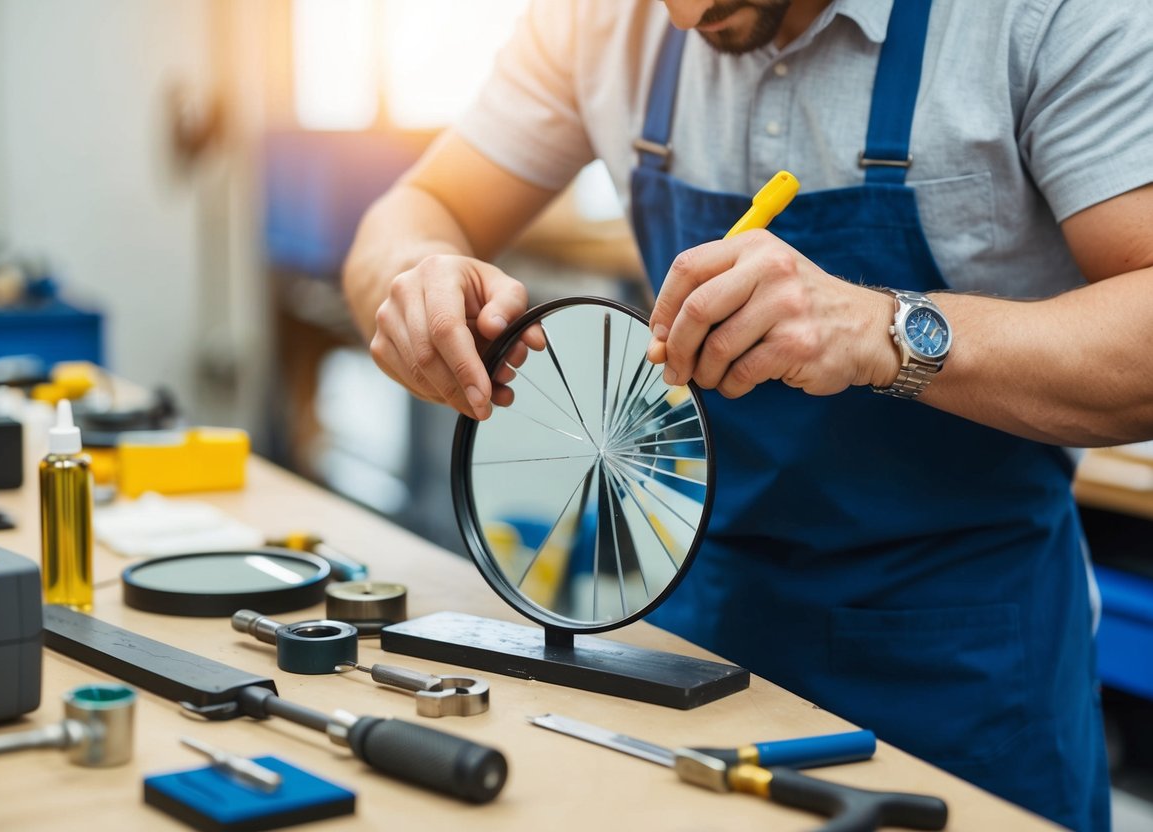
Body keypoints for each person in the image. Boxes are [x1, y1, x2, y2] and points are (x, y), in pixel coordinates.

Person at [343, 1, 1153, 828]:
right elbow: (417, 207)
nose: (682, 13)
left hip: (963, 666)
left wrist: (882, 331)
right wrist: (415, 276)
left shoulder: (1046, 17)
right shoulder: (601, 19)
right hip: (686, 644)